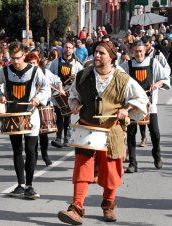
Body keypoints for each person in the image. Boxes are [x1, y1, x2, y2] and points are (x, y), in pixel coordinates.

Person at [57, 41, 148, 224]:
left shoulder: (123, 79)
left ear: (111, 57)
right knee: (82, 169)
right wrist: (74, 104)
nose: (96, 56)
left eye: (101, 53)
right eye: (96, 52)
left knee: (111, 172)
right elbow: (74, 94)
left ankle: (108, 206)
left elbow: (141, 98)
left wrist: (127, 108)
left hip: (111, 130)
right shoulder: (83, 76)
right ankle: (76, 208)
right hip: (87, 128)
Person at [0, 41, 48, 199]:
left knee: (30, 150)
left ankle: (29, 185)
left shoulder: (35, 71)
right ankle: (20, 184)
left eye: (18, 58)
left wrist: (38, 98)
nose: (15, 61)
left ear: (24, 55)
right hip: (13, 116)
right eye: (12, 58)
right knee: (17, 150)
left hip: (31, 114)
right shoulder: (5, 71)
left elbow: (45, 88)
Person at [120, 40, 170, 173]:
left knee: (155, 133)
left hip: (150, 105)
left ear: (145, 50)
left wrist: (157, 84)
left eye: (141, 51)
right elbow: (118, 78)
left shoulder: (153, 63)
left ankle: (157, 156)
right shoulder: (127, 65)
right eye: (136, 51)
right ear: (132, 52)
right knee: (131, 134)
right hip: (133, 105)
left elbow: (165, 78)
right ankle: (132, 163)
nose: (139, 53)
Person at [25, 52, 63, 166]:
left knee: (44, 133)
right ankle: (34, 156)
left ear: (38, 63)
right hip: (31, 106)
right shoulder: (26, 74)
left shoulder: (45, 72)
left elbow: (57, 80)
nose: (32, 65)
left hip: (43, 105)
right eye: (30, 63)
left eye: (34, 63)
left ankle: (45, 155)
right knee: (33, 133)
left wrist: (60, 89)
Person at [48, 41, 83, 148]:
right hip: (58, 93)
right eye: (66, 47)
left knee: (67, 116)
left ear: (73, 50)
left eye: (70, 48)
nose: (68, 49)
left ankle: (67, 137)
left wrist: (76, 77)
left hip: (70, 94)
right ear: (63, 49)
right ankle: (58, 137)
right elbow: (50, 76)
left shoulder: (77, 64)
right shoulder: (55, 62)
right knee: (59, 115)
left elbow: (82, 77)